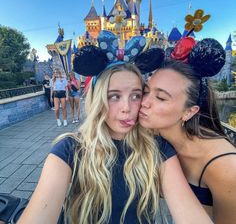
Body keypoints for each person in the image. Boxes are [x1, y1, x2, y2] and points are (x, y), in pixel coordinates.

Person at [17, 63, 212, 224]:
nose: (127, 108)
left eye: (136, 95)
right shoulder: (70, 149)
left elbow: (189, 212)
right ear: (98, 99)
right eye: (114, 96)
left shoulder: (159, 149)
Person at [139, 57, 236, 223]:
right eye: (146, 92)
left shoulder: (225, 166)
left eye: (161, 98)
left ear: (189, 112)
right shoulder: (151, 135)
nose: (144, 102)